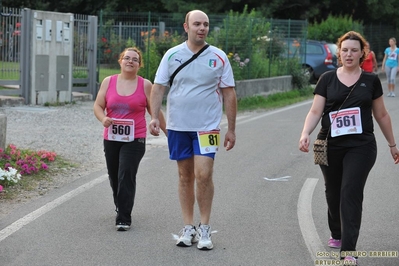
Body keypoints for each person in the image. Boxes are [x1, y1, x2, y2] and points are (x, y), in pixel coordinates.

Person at [298, 31, 399, 265]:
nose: (349, 54)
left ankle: (349, 250)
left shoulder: (371, 80)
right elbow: (315, 111)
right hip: (330, 144)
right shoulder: (327, 79)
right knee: (333, 193)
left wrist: (392, 144)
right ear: (339, 53)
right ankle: (337, 233)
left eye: (354, 50)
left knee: (350, 192)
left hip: (361, 145)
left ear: (362, 53)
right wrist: (305, 133)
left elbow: (381, 114)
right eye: (345, 50)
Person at [149, 10, 237, 250]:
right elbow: (158, 88)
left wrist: (231, 129)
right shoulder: (172, 55)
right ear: (186, 27)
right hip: (178, 126)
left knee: (204, 174)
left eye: (206, 24)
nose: (202, 28)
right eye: (197, 24)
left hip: (207, 127)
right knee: (184, 176)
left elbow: (229, 93)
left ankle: (205, 228)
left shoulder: (218, 57)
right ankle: (188, 228)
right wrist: (155, 117)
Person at [93, 47, 166, 231]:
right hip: (111, 136)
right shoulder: (108, 82)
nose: (130, 61)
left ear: (139, 64)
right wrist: (103, 119)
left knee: (126, 172)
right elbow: (98, 106)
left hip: (135, 138)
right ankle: (120, 204)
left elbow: (155, 110)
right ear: (120, 61)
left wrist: (168, 133)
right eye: (127, 58)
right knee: (114, 174)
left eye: (134, 59)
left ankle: (124, 217)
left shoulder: (145, 85)